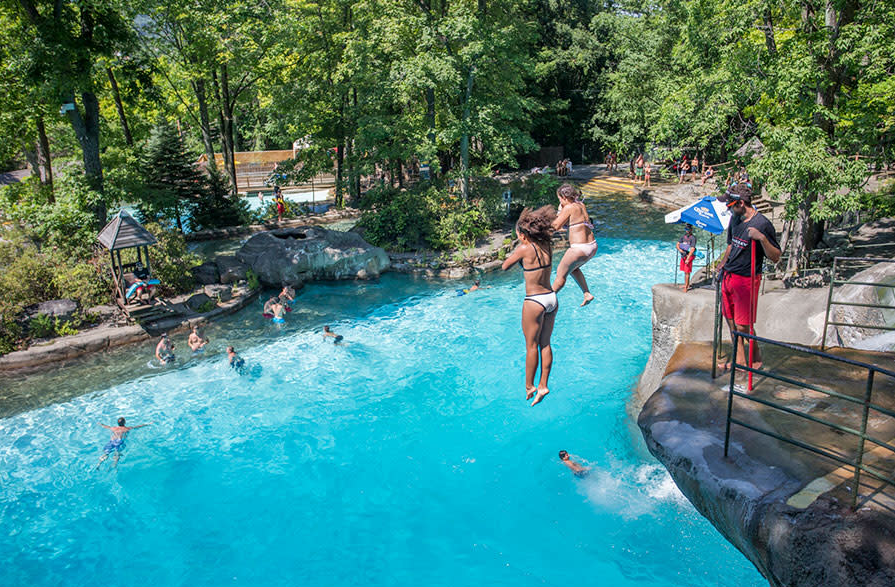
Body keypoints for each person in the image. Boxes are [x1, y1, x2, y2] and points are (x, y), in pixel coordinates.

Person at [715, 183, 781, 374]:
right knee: (730, 321)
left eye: (730, 204)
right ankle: (741, 362)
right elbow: (730, 244)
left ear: (741, 203)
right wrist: (722, 263)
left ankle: (755, 358)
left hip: (747, 278)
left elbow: (776, 256)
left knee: (744, 325)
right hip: (729, 275)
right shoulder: (734, 219)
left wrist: (761, 238)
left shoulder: (762, 224)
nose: (727, 207)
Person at [501, 205, 558, 406]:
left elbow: (505, 266)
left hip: (534, 301)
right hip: (551, 298)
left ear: (524, 235)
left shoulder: (524, 248)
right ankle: (543, 384)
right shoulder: (547, 245)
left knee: (531, 346)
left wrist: (518, 255)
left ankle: (529, 386)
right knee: (545, 343)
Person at [552, 184, 597, 306]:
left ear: (565, 198)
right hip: (592, 246)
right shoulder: (581, 205)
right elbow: (568, 226)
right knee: (573, 268)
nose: (560, 202)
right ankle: (587, 293)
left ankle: (546, 300)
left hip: (579, 249)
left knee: (560, 274)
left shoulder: (569, 208)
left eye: (560, 199)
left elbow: (555, 226)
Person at [676, 224, 697, 293]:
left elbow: (692, 249)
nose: (687, 231)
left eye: (688, 229)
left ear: (691, 230)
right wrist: (680, 250)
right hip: (683, 255)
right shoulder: (683, 237)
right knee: (684, 271)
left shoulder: (693, 238)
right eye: (686, 229)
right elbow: (677, 244)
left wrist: (688, 258)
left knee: (687, 272)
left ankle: (686, 286)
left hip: (689, 256)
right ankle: (686, 284)